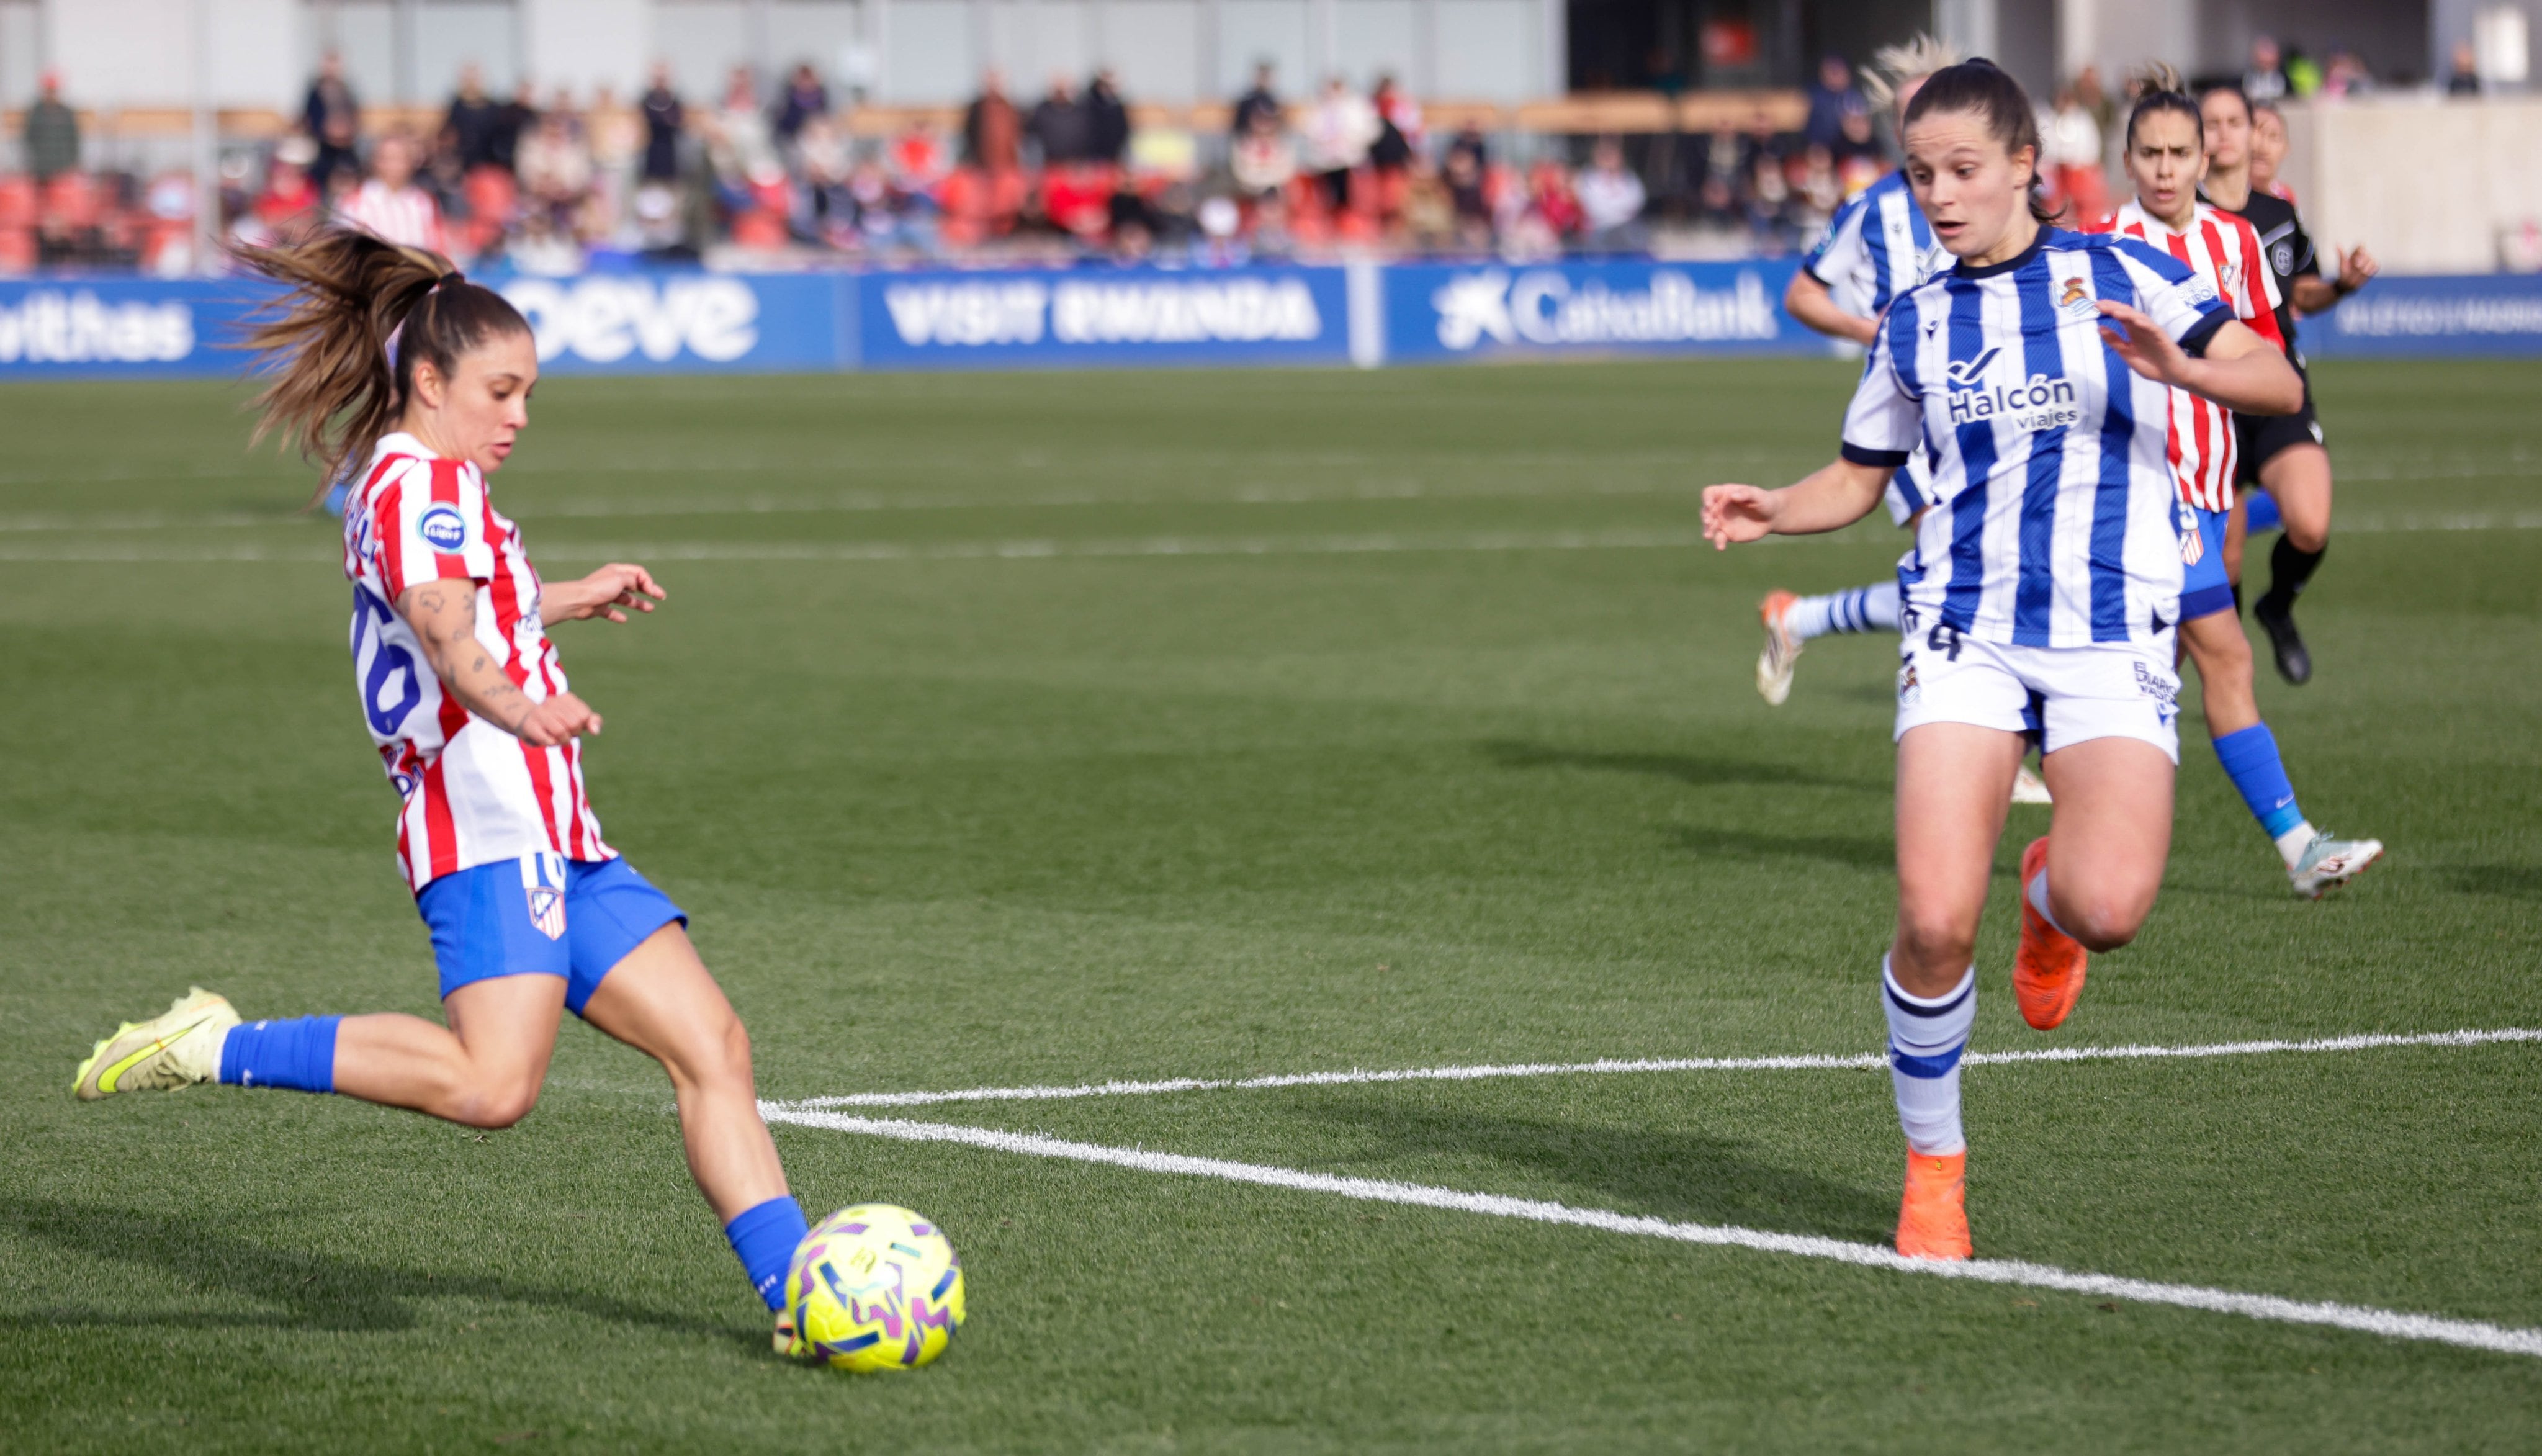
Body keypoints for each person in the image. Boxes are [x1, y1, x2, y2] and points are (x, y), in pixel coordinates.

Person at [73, 230, 822, 1353]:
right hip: (484, 821)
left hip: (554, 826)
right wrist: (525, 707)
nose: (519, 415)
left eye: (530, 392)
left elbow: (482, 607)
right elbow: (449, 632)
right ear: (430, 382)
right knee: (490, 1085)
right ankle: (214, 1042)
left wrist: (573, 594)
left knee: (713, 1046)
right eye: (501, 391)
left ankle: (802, 1301)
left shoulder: (425, 481)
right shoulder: (421, 487)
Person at [1699, 59, 2302, 1261]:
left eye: (1962, 170)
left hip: (2107, 629)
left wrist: (2187, 371)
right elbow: (1859, 478)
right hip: (1960, 627)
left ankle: (2046, 902)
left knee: (2107, 907)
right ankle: (1932, 1170)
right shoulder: (1917, 318)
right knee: (1928, 917)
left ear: (2027, 165)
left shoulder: (2121, 269)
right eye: (1920, 174)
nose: (1937, 195)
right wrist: (1774, 507)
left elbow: (2272, 375)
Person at [2091, 71, 2382, 896]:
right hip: (2140, 489)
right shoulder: (2099, 244)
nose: (2164, 168)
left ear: (2204, 154)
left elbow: (2264, 356)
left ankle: (2077, 814)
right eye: (2148, 152)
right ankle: (2296, 846)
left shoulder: (2237, 241)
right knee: (2222, 655)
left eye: (2179, 151)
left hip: (2213, 477)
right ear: (2127, 158)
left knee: (2169, 657)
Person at [1763, 37, 2060, 797]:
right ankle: (1977, 741)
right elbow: (1801, 294)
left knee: (1978, 560)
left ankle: (1802, 620)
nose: (1938, 180)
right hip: (1911, 412)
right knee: (1953, 557)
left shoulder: (2003, 194)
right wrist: (1877, 334)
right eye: (1911, 130)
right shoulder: (1869, 208)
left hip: (1990, 403)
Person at [2199, 84, 2376, 684]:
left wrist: (2343, 285)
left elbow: (2300, 292)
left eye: (2234, 122)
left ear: (2255, 134)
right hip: (2208, 400)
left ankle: (2277, 606)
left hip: (2275, 388)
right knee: (2222, 565)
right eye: (2211, 123)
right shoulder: (2181, 218)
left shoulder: (2276, 215)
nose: (2223, 134)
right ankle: (2229, 662)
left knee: (2310, 522)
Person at [339, 134, 447, 254]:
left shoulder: (424, 202)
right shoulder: (355, 202)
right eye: (388, 159)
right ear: (376, 161)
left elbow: (438, 249)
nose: (394, 166)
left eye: (401, 159)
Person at [1301, 76, 1377, 212]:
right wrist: (1325, 140)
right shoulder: (1319, 106)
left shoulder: (1356, 106)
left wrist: (1349, 140)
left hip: (1349, 160)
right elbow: (1310, 130)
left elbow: (1370, 130)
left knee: (1347, 195)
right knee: (1325, 196)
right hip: (1324, 160)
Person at [303, 53, 364, 195]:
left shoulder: (346, 90)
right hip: (323, 146)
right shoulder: (316, 91)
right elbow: (310, 117)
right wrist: (328, 132)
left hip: (346, 144)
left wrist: (346, 130)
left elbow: (355, 114)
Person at [1574, 137, 1646, 251]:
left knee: (1637, 242)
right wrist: (1617, 211)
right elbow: (1594, 208)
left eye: (1613, 155)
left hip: (1626, 228)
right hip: (1599, 228)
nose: (1609, 159)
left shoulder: (1630, 178)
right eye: (1605, 155)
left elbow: (1637, 201)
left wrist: (1616, 211)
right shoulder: (1588, 178)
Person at [444, 63, 506, 174]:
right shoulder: (456, 108)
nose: (471, 83)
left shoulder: (495, 109)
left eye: (475, 78)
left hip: (490, 167)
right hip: (463, 168)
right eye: (468, 79)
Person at [23, 70, 79, 183]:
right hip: (40, 167)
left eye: (53, 91)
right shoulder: (36, 113)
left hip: (63, 166)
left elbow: (74, 139)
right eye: (48, 91)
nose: (51, 94)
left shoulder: (66, 113)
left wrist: (73, 162)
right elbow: (28, 138)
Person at [963, 69, 1023, 172]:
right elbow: (969, 133)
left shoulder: (1009, 108)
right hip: (982, 165)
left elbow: (1017, 134)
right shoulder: (977, 108)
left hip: (1007, 165)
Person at [640, 64, 685, 183]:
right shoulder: (646, 100)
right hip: (650, 152)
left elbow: (678, 122)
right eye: (657, 79)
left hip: (669, 151)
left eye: (663, 79)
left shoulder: (674, 101)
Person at [2248, 101, 2294, 204]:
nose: (2263, 148)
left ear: (2286, 148)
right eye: (2256, 134)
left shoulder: (2285, 197)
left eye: (2273, 137)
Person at [1232, 62, 1283, 140]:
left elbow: (1279, 129)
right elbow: (1238, 128)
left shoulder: (1274, 103)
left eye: (1266, 77)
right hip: (1249, 141)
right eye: (1262, 76)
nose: (1264, 80)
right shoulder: (1246, 103)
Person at [2243, 37, 2289, 106]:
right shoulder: (2250, 78)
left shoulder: (2284, 79)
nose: (2267, 67)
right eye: (2263, 63)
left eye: (2271, 63)